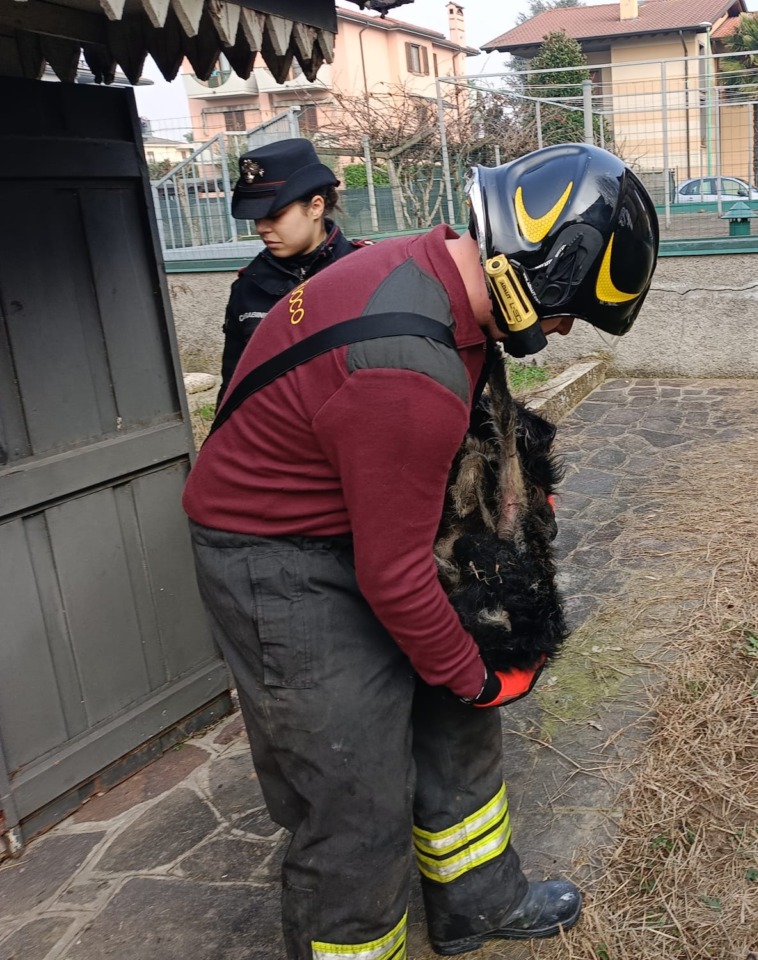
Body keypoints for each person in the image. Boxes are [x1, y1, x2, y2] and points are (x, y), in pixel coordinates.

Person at [183, 143, 659, 959]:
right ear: (532, 271)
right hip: (275, 556)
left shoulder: (440, 277)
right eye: (567, 309)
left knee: (454, 722)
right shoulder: (408, 369)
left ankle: (480, 902)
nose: (561, 328)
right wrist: (476, 675)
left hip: (354, 517)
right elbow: (395, 576)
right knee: (354, 790)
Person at [216, 137, 366, 407]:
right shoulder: (248, 286)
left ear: (316, 207)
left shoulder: (366, 271)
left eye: (274, 215)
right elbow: (233, 384)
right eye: (256, 217)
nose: (262, 228)